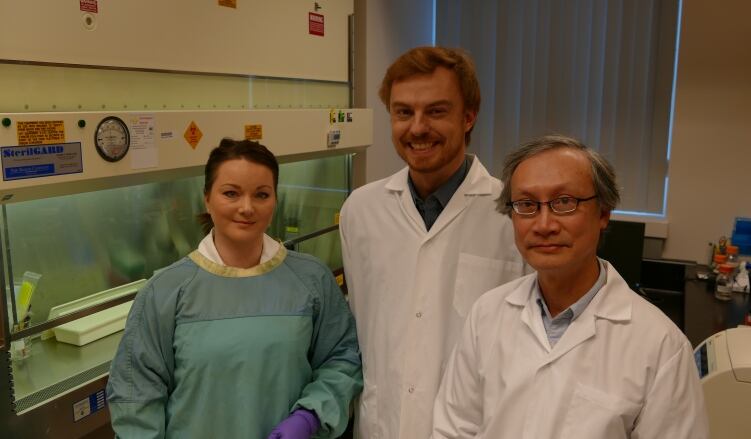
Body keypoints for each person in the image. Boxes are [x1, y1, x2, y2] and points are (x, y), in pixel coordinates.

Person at [431, 134, 709, 438]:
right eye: (526, 204)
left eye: (564, 202)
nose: (544, 224)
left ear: (604, 213)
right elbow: (454, 429)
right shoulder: (486, 314)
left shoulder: (661, 346)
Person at [107, 139, 363, 439]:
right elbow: (135, 395)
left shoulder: (311, 280)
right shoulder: (165, 292)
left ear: (275, 201)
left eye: (261, 195)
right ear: (207, 199)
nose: (247, 207)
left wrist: (309, 416)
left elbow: (343, 358)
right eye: (231, 193)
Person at [339, 46, 528, 439]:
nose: (418, 127)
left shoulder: (512, 216)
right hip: (381, 426)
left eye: (436, 111)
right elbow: (362, 328)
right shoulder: (361, 210)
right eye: (403, 112)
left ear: (468, 117)